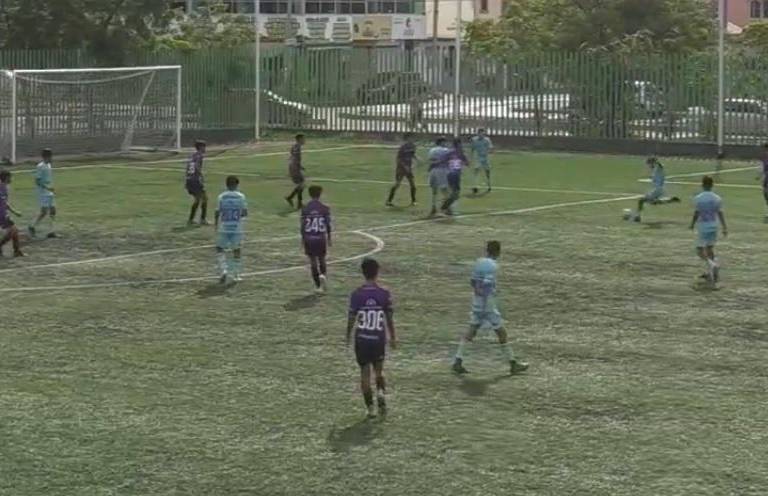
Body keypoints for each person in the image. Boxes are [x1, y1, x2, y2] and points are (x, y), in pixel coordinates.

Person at [452, 241, 528, 376]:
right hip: (487, 305)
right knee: (501, 332)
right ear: (498, 252)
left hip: (476, 302)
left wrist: (478, 296)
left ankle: (457, 360)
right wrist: (485, 300)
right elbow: (486, 286)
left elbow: (473, 282)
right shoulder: (492, 266)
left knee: (472, 330)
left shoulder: (479, 262)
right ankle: (513, 364)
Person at [346, 258, 397, 418]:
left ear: (363, 272)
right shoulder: (384, 294)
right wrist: (393, 337)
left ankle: (370, 409)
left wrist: (347, 335)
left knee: (364, 374)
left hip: (362, 338)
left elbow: (351, 318)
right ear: (377, 272)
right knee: (379, 371)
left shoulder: (356, 294)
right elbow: (389, 318)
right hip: (378, 338)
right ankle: (381, 392)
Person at [690, 176, 727, 285]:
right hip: (714, 225)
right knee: (710, 249)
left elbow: (697, 213)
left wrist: (692, 224)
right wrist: (724, 227)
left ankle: (712, 265)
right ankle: (711, 272)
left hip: (703, 226)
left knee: (699, 250)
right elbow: (720, 213)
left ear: (702, 184)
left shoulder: (698, 198)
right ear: (712, 185)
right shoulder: (717, 198)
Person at [214, 175, 248, 284]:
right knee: (237, 250)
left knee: (220, 249)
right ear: (237, 184)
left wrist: (216, 226)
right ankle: (236, 274)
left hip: (224, 226)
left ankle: (223, 270)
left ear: (226, 184)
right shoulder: (241, 196)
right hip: (236, 227)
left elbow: (217, 212)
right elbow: (244, 213)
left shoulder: (221, 197)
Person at [301, 185, 332, 293]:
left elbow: (303, 225)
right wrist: (329, 237)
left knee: (313, 261)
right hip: (320, 237)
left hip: (309, 237)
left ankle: (318, 286)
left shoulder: (305, 208)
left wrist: (303, 238)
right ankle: (323, 276)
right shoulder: (325, 208)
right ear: (320, 194)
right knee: (322, 259)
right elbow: (328, 225)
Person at [631, 157, 680, 222]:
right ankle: (671, 200)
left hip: (657, 190)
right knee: (653, 202)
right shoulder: (655, 170)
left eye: (649, 164)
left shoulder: (658, 168)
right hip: (659, 190)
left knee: (641, 200)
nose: (648, 166)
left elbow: (660, 166)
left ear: (652, 163)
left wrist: (656, 162)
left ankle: (637, 217)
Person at [28, 148, 57, 239]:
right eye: (51, 156)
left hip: (49, 191)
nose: (52, 158)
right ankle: (32, 226)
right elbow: (37, 181)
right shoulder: (41, 166)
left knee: (53, 210)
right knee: (44, 212)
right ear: (46, 156)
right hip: (43, 192)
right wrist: (47, 187)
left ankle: (51, 231)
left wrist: (51, 187)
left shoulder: (48, 165)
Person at [386, 133, 419, 207]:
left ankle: (414, 201)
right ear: (407, 138)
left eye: (413, 138)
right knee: (397, 184)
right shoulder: (403, 147)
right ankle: (389, 201)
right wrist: (405, 166)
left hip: (408, 168)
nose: (412, 139)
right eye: (411, 138)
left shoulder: (413, 146)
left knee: (413, 184)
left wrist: (418, 159)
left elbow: (412, 154)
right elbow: (398, 159)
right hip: (401, 169)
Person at [441, 137, 468, 215]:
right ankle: (444, 206)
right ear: (458, 144)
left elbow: (443, 161)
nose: (461, 145)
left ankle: (446, 206)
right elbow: (467, 163)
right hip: (454, 175)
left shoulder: (450, 152)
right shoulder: (460, 153)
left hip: (451, 174)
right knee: (456, 194)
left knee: (454, 193)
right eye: (460, 144)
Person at [0, 169, 23, 257]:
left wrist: (15, 212)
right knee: (13, 230)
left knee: (15, 231)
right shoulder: (1, 187)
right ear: (6, 178)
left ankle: (17, 251)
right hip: (1, 215)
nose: (11, 179)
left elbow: (4, 203)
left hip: (3, 214)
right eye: (10, 177)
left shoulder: (4, 188)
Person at [185, 140, 208, 226]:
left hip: (189, 180)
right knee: (204, 199)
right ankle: (202, 219)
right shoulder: (199, 156)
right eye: (204, 147)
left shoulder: (192, 156)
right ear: (201, 147)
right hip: (195, 180)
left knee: (197, 200)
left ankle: (191, 220)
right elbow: (197, 166)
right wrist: (201, 175)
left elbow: (188, 167)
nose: (205, 149)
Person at [427, 137, 451, 217]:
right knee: (445, 190)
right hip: (443, 170)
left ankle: (433, 207)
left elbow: (430, 161)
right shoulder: (446, 150)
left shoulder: (432, 150)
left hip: (433, 171)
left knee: (434, 190)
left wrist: (430, 168)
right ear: (442, 142)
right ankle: (448, 208)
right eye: (445, 142)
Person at [285, 134, 306, 209]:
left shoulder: (294, 146)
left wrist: (299, 166)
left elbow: (291, 155)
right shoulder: (298, 147)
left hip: (292, 166)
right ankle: (295, 201)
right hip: (294, 167)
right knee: (302, 184)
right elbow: (296, 157)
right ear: (299, 139)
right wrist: (297, 166)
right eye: (303, 139)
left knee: (301, 185)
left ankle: (292, 199)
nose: (304, 140)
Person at [470, 129, 493, 194]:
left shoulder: (487, 140)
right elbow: (472, 148)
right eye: (479, 133)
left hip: (485, 157)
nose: (481, 135)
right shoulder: (474, 140)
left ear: (484, 134)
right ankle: (475, 186)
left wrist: (489, 156)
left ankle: (489, 185)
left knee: (487, 171)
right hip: (478, 157)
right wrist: (471, 157)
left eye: (482, 134)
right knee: (476, 170)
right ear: (478, 133)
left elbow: (490, 148)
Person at [757, 143, 768, 223]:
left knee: (766, 195)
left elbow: (762, 168)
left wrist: (760, 175)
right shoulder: (764, 157)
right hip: (766, 178)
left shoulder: (764, 157)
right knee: (766, 195)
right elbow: (762, 168)